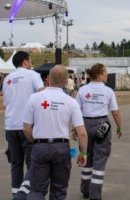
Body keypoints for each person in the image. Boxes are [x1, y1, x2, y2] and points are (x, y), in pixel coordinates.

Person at [23, 65, 88, 199]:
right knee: (59, 190)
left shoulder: (34, 98)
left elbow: (26, 128)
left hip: (40, 146)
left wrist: (34, 141)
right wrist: (83, 152)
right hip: (62, 148)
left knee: (37, 190)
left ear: (48, 79)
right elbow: (81, 132)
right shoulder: (71, 102)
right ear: (65, 82)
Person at [76, 63, 123, 200]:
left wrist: (75, 128)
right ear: (99, 74)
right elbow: (115, 112)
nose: (107, 74)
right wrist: (119, 126)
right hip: (102, 124)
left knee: (86, 156)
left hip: (84, 125)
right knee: (100, 159)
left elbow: (76, 111)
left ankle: (85, 190)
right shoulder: (108, 91)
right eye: (105, 72)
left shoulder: (82, 90)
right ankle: (95, 194)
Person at [2, 51, 45, 200]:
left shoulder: (7, 79)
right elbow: (42, 95)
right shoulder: (33, 75)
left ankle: (16, 193)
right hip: (27, 126)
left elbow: (6, 102)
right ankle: (25, 193)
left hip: (10, 125)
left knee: (15, 163)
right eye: (30, 60)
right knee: (32, 162)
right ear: (25, 62)